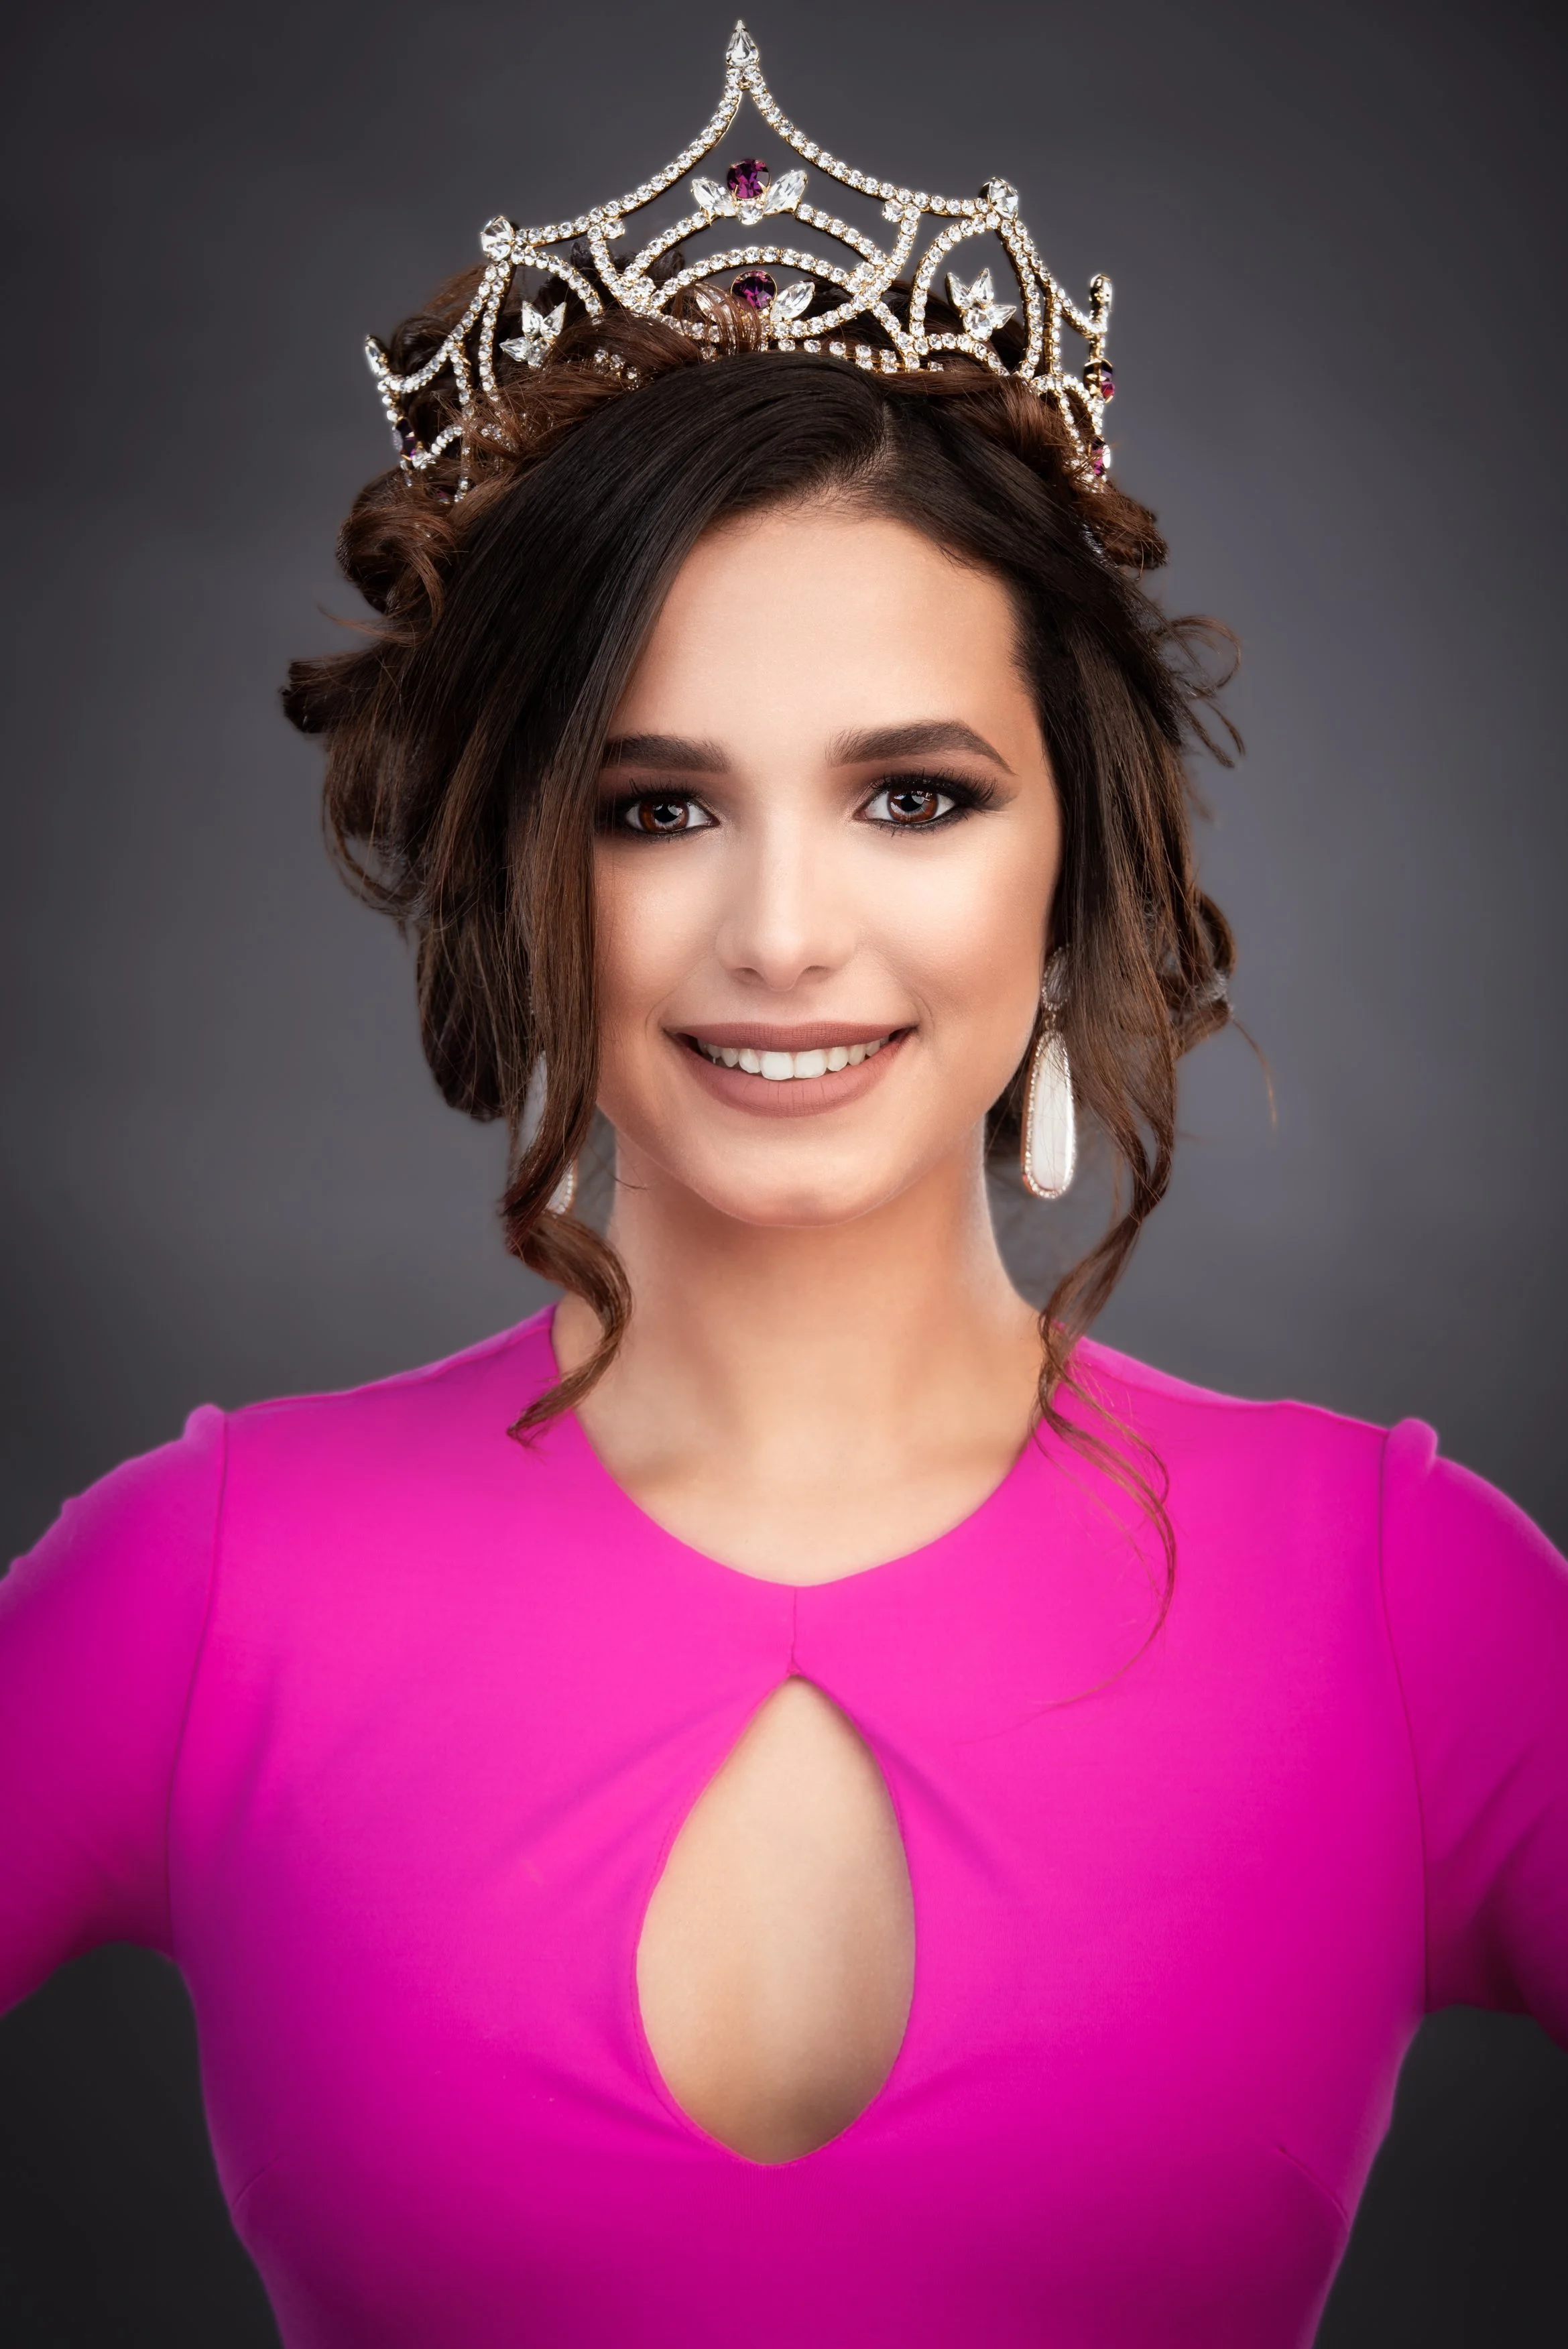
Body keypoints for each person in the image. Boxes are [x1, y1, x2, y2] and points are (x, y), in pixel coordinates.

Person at [2, 26, 1564, 2348]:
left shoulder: (1408, 1602)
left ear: (1076, 856)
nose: (787, 935)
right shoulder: (205, 1587)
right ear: (521, 867)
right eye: (656, 808)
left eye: (913, 796)